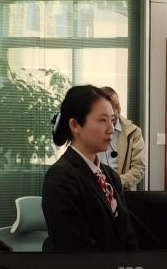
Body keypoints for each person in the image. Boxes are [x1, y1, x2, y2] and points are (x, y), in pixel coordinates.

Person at [42, 85, 136, 252]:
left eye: (112, 120)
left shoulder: (111, 176)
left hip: (120, 267)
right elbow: (74, 248)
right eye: (102, 120)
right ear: (75, 125)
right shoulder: (59, 178)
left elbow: (127, 236)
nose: (111, 129)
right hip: (85, 268)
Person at [99, 86, 146, 191]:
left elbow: (139, 168)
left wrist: (116, 182)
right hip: (94, 190)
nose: (115, 112)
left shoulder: (133, 132)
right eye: (111, 108)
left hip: (122, 191)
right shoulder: (92, 130)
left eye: (117, 106)